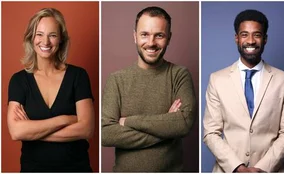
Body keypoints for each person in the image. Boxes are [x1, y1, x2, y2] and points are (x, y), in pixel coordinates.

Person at [101, 6, 196, 172]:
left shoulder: (180, 75)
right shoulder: (116, 80)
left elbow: (184, 123)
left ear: (169, 38)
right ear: (135, 37)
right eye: (144, 34)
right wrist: (167, 127)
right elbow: (107, 134)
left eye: (159, 35)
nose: (151, 43)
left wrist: (129, 122)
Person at [203, 9, 284, 173]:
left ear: (265, 39)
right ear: (236, 38)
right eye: (244, 34)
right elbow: (210, 133)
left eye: (257, 35)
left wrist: (262, 168)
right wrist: (237, 167)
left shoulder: (283, 80)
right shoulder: (217, 79)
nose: (251, 41)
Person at [7, 8, 94, 172]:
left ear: (61, 39)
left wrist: (33, 132)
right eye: (39, 34)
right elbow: (16, 132)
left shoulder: (78, 76)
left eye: (52, 35)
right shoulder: (18, 81)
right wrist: (65, 119)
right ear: (31, 38)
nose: (45, 42)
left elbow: (86, 129)